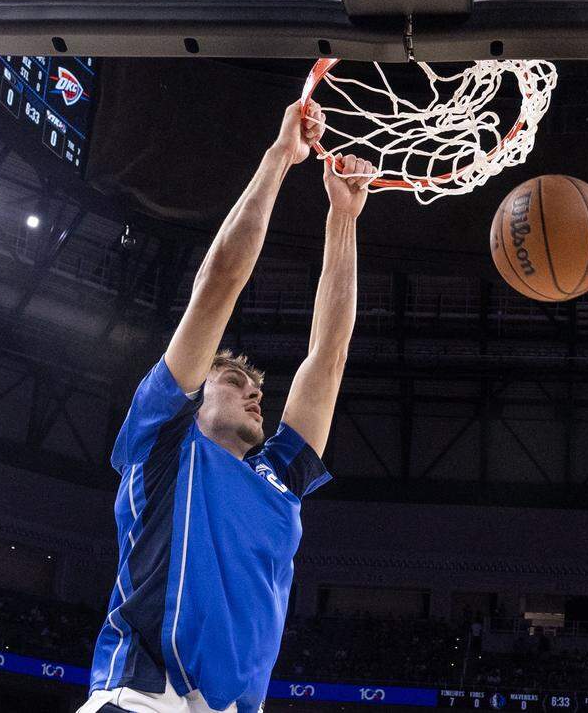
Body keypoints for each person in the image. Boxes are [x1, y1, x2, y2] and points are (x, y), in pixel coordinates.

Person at [78, 100, 375, 713]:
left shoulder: (280, 475)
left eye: (255, 384)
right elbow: (219, 283)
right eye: (235, 377)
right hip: (142, 699)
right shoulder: (163, 440)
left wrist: (343, 218)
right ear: (192, 399)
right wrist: (280, 158)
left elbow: (330, 353)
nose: (255, 390)